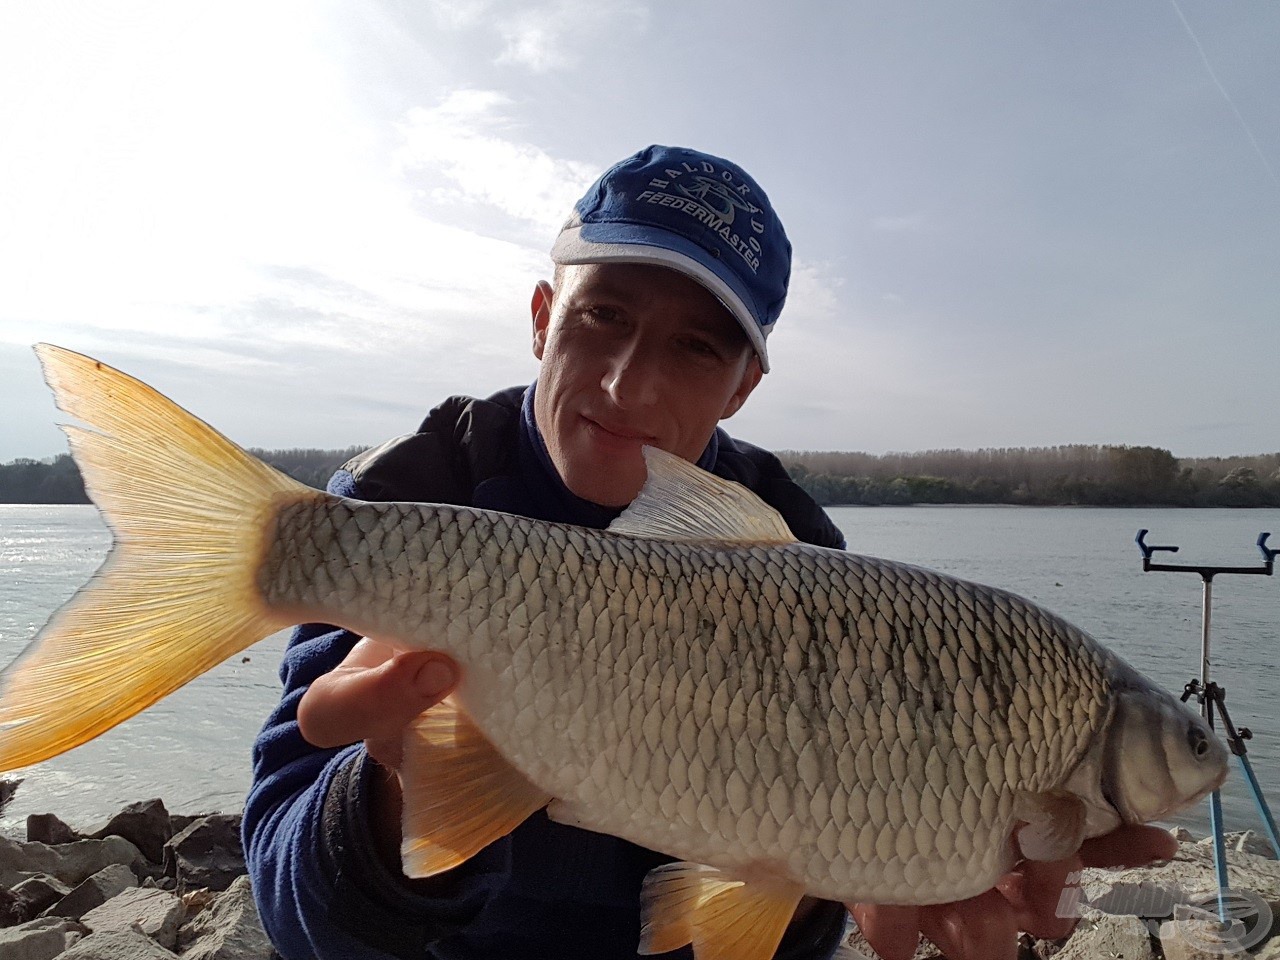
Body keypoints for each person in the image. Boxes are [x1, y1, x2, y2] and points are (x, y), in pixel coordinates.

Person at [242, 145, 1176, 960]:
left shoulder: (801, 554)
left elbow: (766, 904)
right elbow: (295, 917)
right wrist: (395, 795)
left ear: (742, 387)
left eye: (696, 346)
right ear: (541, 315)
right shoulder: (404, 500)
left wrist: (854, 867)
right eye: (602, 315)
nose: (628, 384)